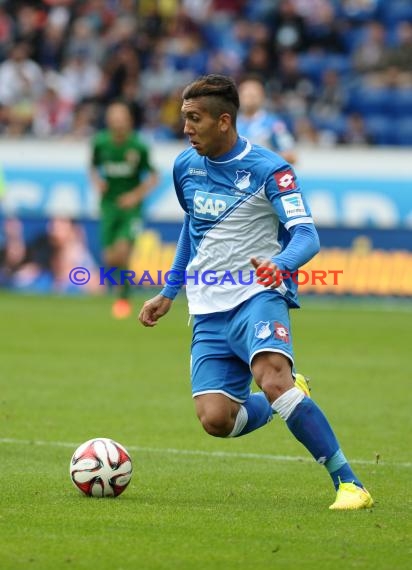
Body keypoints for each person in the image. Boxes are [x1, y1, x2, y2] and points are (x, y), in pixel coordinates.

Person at [138, 74, 373, 510]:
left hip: (257, 294)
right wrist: (169, 292)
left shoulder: (271, 170)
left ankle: (349, 484)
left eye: (194, 119)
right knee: (216, 421)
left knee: (272, 378)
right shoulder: (184, 166)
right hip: (208, 305)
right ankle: (291, 390)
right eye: (184, 118)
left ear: (224, 121)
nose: (185, 128)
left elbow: (306, 236)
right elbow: (192, 228)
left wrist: (279, 266)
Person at [91, 101, 158, 318]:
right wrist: (98, 182)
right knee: (110, 258)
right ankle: (121, 288)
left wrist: (134, 196)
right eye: (113, 116)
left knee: (122, 251)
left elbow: (154, 176)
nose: (117, 120)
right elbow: (92, 167)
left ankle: (123, 298)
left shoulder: (138, 146)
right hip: (109, 206)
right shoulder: (100, 143)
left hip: (131, 209)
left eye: (121, 116)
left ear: (128, 120)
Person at [237, 76, 297, 164]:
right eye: (245, 96)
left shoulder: (274, 123)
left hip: (263, 175)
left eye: (252, 96)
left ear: (262, 97)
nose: (248, 100)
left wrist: (262, 159)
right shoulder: (231, 124)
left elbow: (291, 156)